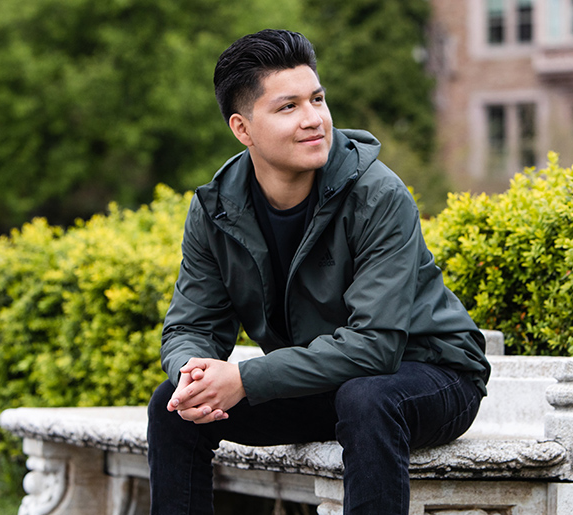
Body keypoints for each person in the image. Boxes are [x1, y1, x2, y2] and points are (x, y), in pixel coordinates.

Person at [147, 29, 491, 515]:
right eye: (288, 107)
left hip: (432, 376)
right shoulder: (216, 209)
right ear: (243, 129)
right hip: (325, 382)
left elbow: (375, 346)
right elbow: (191, 324)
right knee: (175, 408)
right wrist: (191, 374)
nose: (314, 120)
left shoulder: (378, 195)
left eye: (317, 99)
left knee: (367, 399)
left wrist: (245, 377)